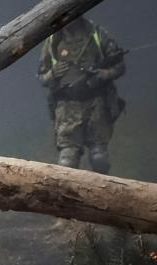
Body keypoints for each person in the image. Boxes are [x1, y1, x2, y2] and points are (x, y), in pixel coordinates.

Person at [38, 17, 126, 173]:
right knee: (67, 160)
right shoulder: (53, 41)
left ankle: (102, 193)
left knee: (99, 157)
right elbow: (42, 76)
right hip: (67, 107)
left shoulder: (97, 34)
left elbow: (119, 65)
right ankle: (66, 196)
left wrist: (103, 74)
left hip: (97, 103)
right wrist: (53, 73)